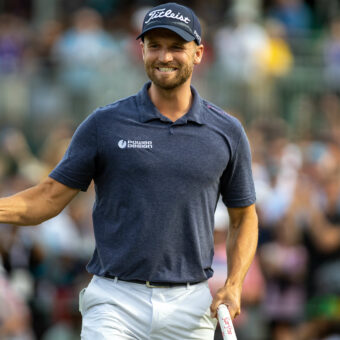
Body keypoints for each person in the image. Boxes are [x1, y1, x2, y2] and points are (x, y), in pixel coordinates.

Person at [0, 3, 258, 339]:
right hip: (115, 301)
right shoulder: (104, 124)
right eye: (155, 46)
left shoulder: (227, 131)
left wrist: (234, 284)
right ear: (142, 51)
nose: (164, 57)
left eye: (176, 47)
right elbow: (47, 199)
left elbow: (244, 218)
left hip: (191, 302)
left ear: (198, 53)